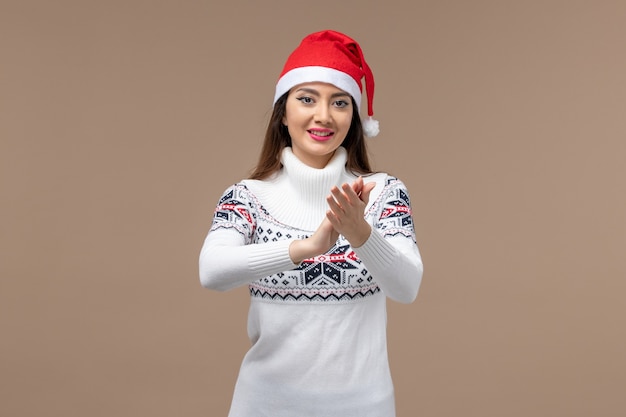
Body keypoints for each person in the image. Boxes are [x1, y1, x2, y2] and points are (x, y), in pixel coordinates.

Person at [199, 29, 423, 417]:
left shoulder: (382, 193)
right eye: (306, 99)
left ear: (353, 117)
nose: (323, 116)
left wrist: (361, 234)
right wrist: (306, 248)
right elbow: (211, 271)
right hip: (264, 405)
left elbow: (407, 287)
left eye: (339, 102)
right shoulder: (248, 197)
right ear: (283, 113)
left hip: (364, 408)